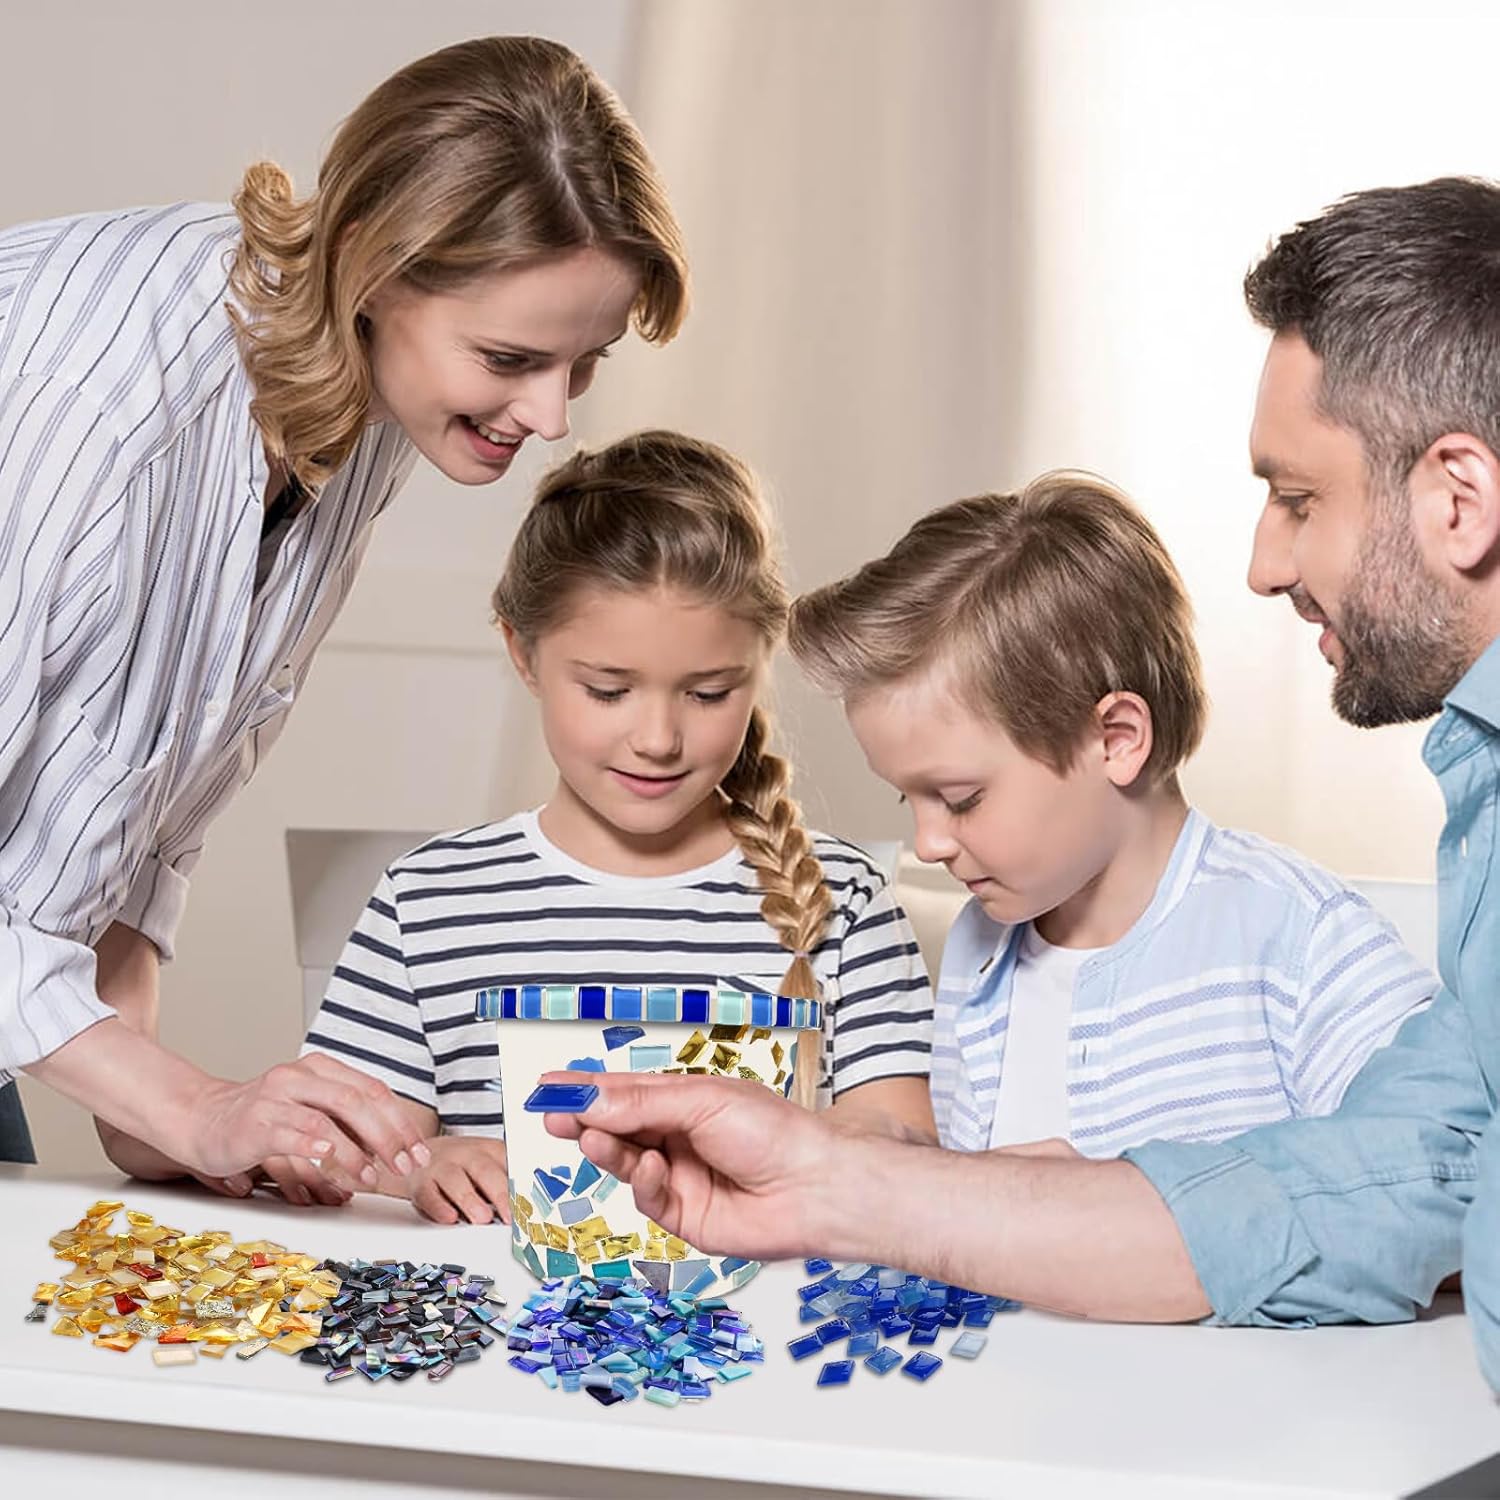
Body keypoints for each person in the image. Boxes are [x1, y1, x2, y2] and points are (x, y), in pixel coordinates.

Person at [544, 176, 1500, 1343]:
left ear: (1462, 496)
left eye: (1297, 497)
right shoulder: (991, 946)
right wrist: (850, 1183)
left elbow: (1420, 1207)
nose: (1260, 564)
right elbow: (1414, 1170)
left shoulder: (1296, 934)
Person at [0, 35, 688, 1196]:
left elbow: (133, 807)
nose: (551, 416)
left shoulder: (368, 394)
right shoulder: (89, 406)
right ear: (375, 264)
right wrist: (191, 1107)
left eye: (585, 362)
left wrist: (163, 1123)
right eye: (511, 357)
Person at [301, 430, 935, 1224]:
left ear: (760, 662)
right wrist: (422, 1165)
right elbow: (330, 1149)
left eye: (708, 693)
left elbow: (904, 1151)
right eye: (608, 691)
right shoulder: (428, 900)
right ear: (523, 654)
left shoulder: (845, 901)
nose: (659, 739)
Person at [788, 471, 1435, 1158]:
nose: (928, 842)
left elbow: (1446, 1168)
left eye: (961, 799)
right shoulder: (982, 944)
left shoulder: (1299, 939)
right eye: (907, 797)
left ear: (1117, 740)